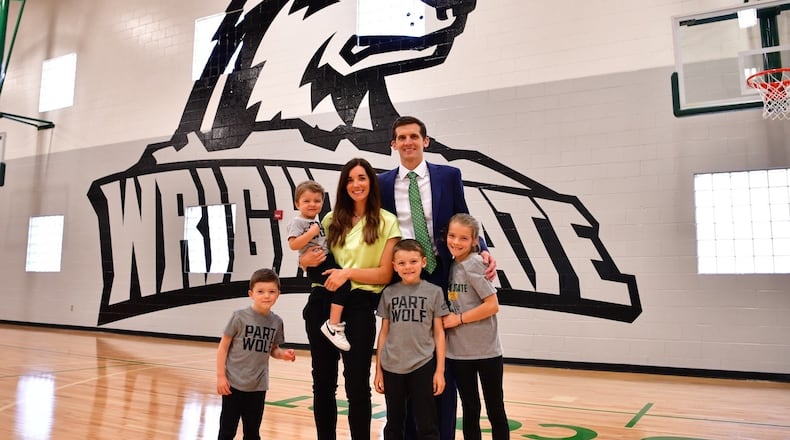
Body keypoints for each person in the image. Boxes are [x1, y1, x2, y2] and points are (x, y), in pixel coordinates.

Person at [378, 115, 498, 440]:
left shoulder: (448, 176)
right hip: (402, 280)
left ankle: (441, 434)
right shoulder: (382, 183)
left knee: (443, 360)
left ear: (425, 141)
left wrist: (482, 249)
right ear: (393, 144)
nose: (408, 142)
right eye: (401, 137)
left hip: (442, 276)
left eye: (414, 136)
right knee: (406, 358)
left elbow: (465, 216)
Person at [299, 157, 402, 440]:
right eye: (350, 179)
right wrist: (303, 261)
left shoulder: (386, 221)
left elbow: (384, 274)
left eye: (362, 178)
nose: (356, 184)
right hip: (322, 304)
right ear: (343, 185)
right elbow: (312, 260)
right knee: (322, 384)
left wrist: (348, 273)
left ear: (371, 183)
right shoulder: (331, 220)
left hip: (358, 307)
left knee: (357, 385)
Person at [374, 239, 449, 440]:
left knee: (427, 424)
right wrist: (378, 370)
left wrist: (440, 371)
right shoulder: (389, 293)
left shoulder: (434, 292)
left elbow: (440, 333)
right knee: (394, 424)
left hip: (422, 364)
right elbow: (383, 332)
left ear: (424, 262)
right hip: (392, 366)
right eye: (402, 263)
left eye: (413, 261)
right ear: (394, 266)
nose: (408, 267)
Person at [442, 214, 508, 440]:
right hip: (459, 354)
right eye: (452, 236)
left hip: (487, 352)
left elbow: (492, 305)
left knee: (495, 409)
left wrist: (458, 319)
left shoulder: (476, 263)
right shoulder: (450, 265)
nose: (456, 242)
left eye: (463, 238)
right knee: (470, 410)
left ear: (474, 241)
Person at [215, 268, 297, 440]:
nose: (266, 296)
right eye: (261, 291)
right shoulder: (239, 317)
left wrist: (283, 354)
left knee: (252, 432)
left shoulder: (276, 322)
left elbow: (272, 349)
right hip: (233, 385)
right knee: (227, 431)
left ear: (278, 294)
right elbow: (223, 347)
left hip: (258, 386)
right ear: (251, 294)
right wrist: (221, 376)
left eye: (271, 291)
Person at [288, 180, 352, 351]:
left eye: (317, 201)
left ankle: (332, 323)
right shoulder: (298, 222)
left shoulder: (318, 221)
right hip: (316, 265)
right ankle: (333, 324)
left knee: (344, 281)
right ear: (297, 203)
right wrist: (310, 233)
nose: (312, 204)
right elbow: (293, 245)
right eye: (307, 201)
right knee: (343, 284)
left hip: (325, 259)